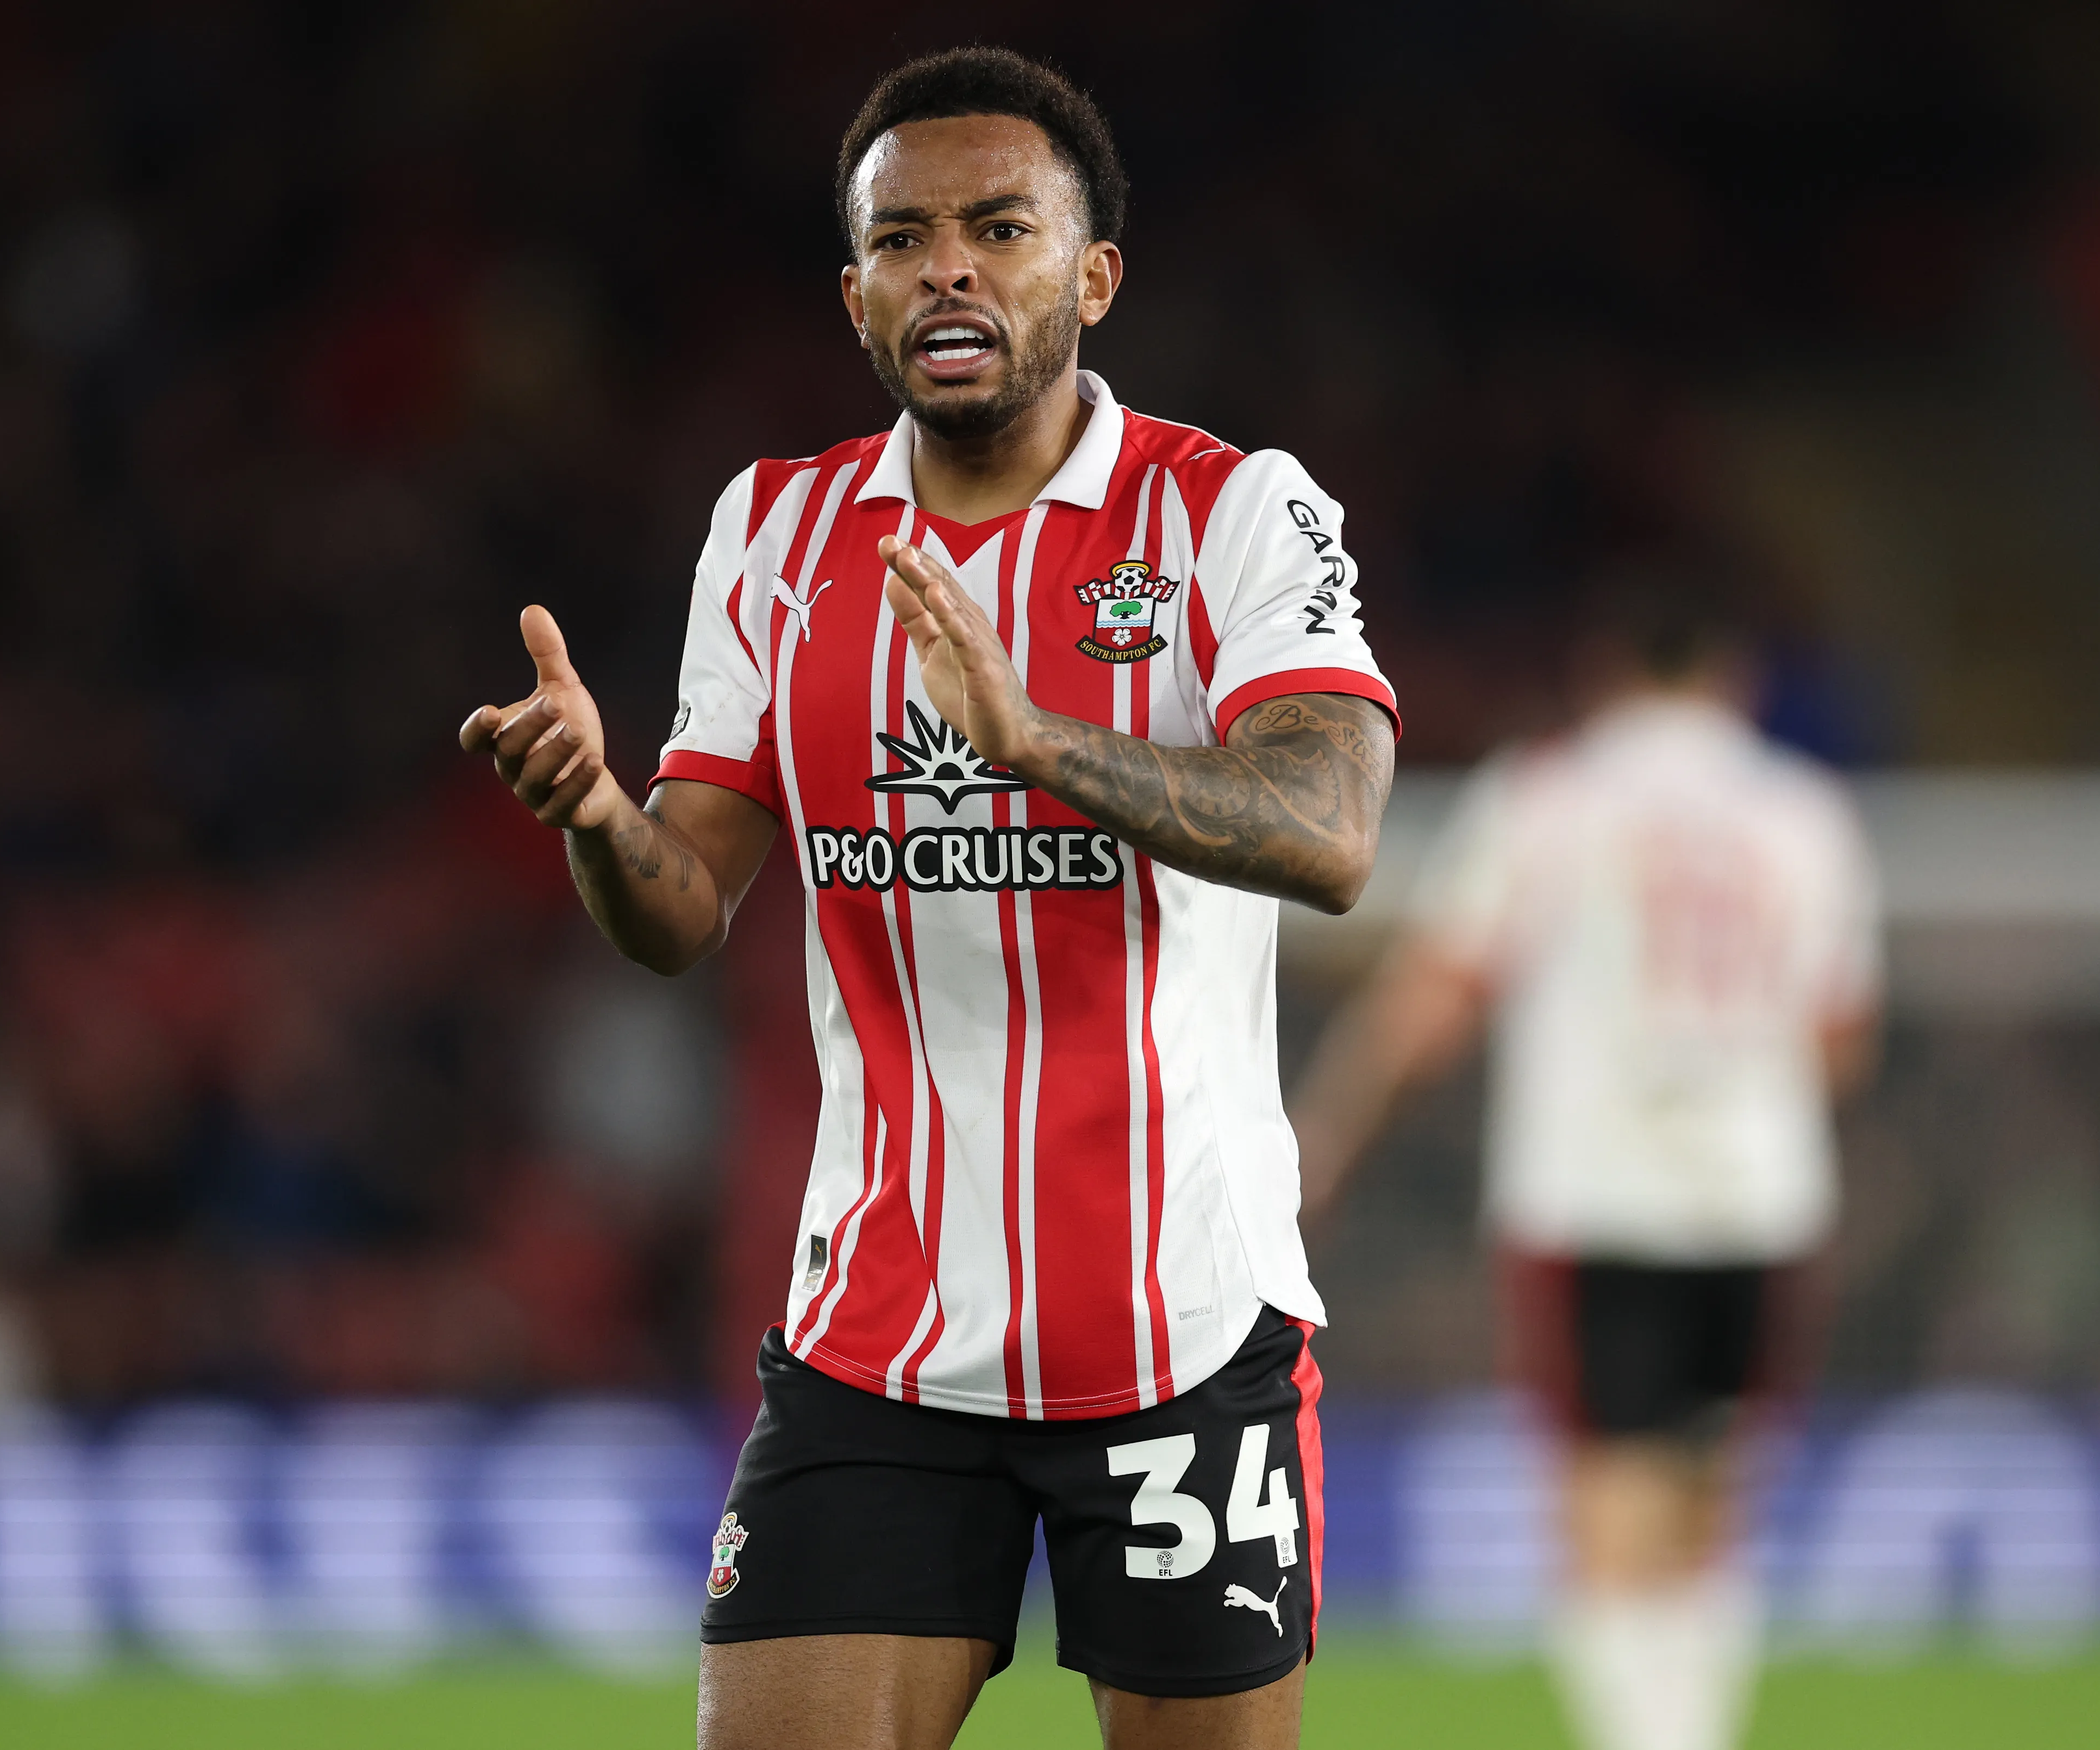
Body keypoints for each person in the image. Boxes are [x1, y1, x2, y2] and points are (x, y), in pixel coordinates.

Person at [458, 47, 1396, 1750]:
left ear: (1092, 275)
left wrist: (1036, 738)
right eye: (901, 239)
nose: (946, 265)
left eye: (997, 228)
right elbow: (679, 910)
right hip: (879, 1338)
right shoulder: (775, 534)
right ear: (855, 292)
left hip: (1176, 1331)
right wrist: (597, 811)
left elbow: (1329, 832)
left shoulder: (1232, 514)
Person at [1289, 579, 1879, 1750]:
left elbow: (1432, 1003)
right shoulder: (1807, 814)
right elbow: (1839, 1041)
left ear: (1606, 676)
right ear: (1734, 684)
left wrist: (1325, 1140)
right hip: (1762, 1196)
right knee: (1710, 1502)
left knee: (1607, 1502)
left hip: (1596, 1191)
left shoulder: (1548, 798)